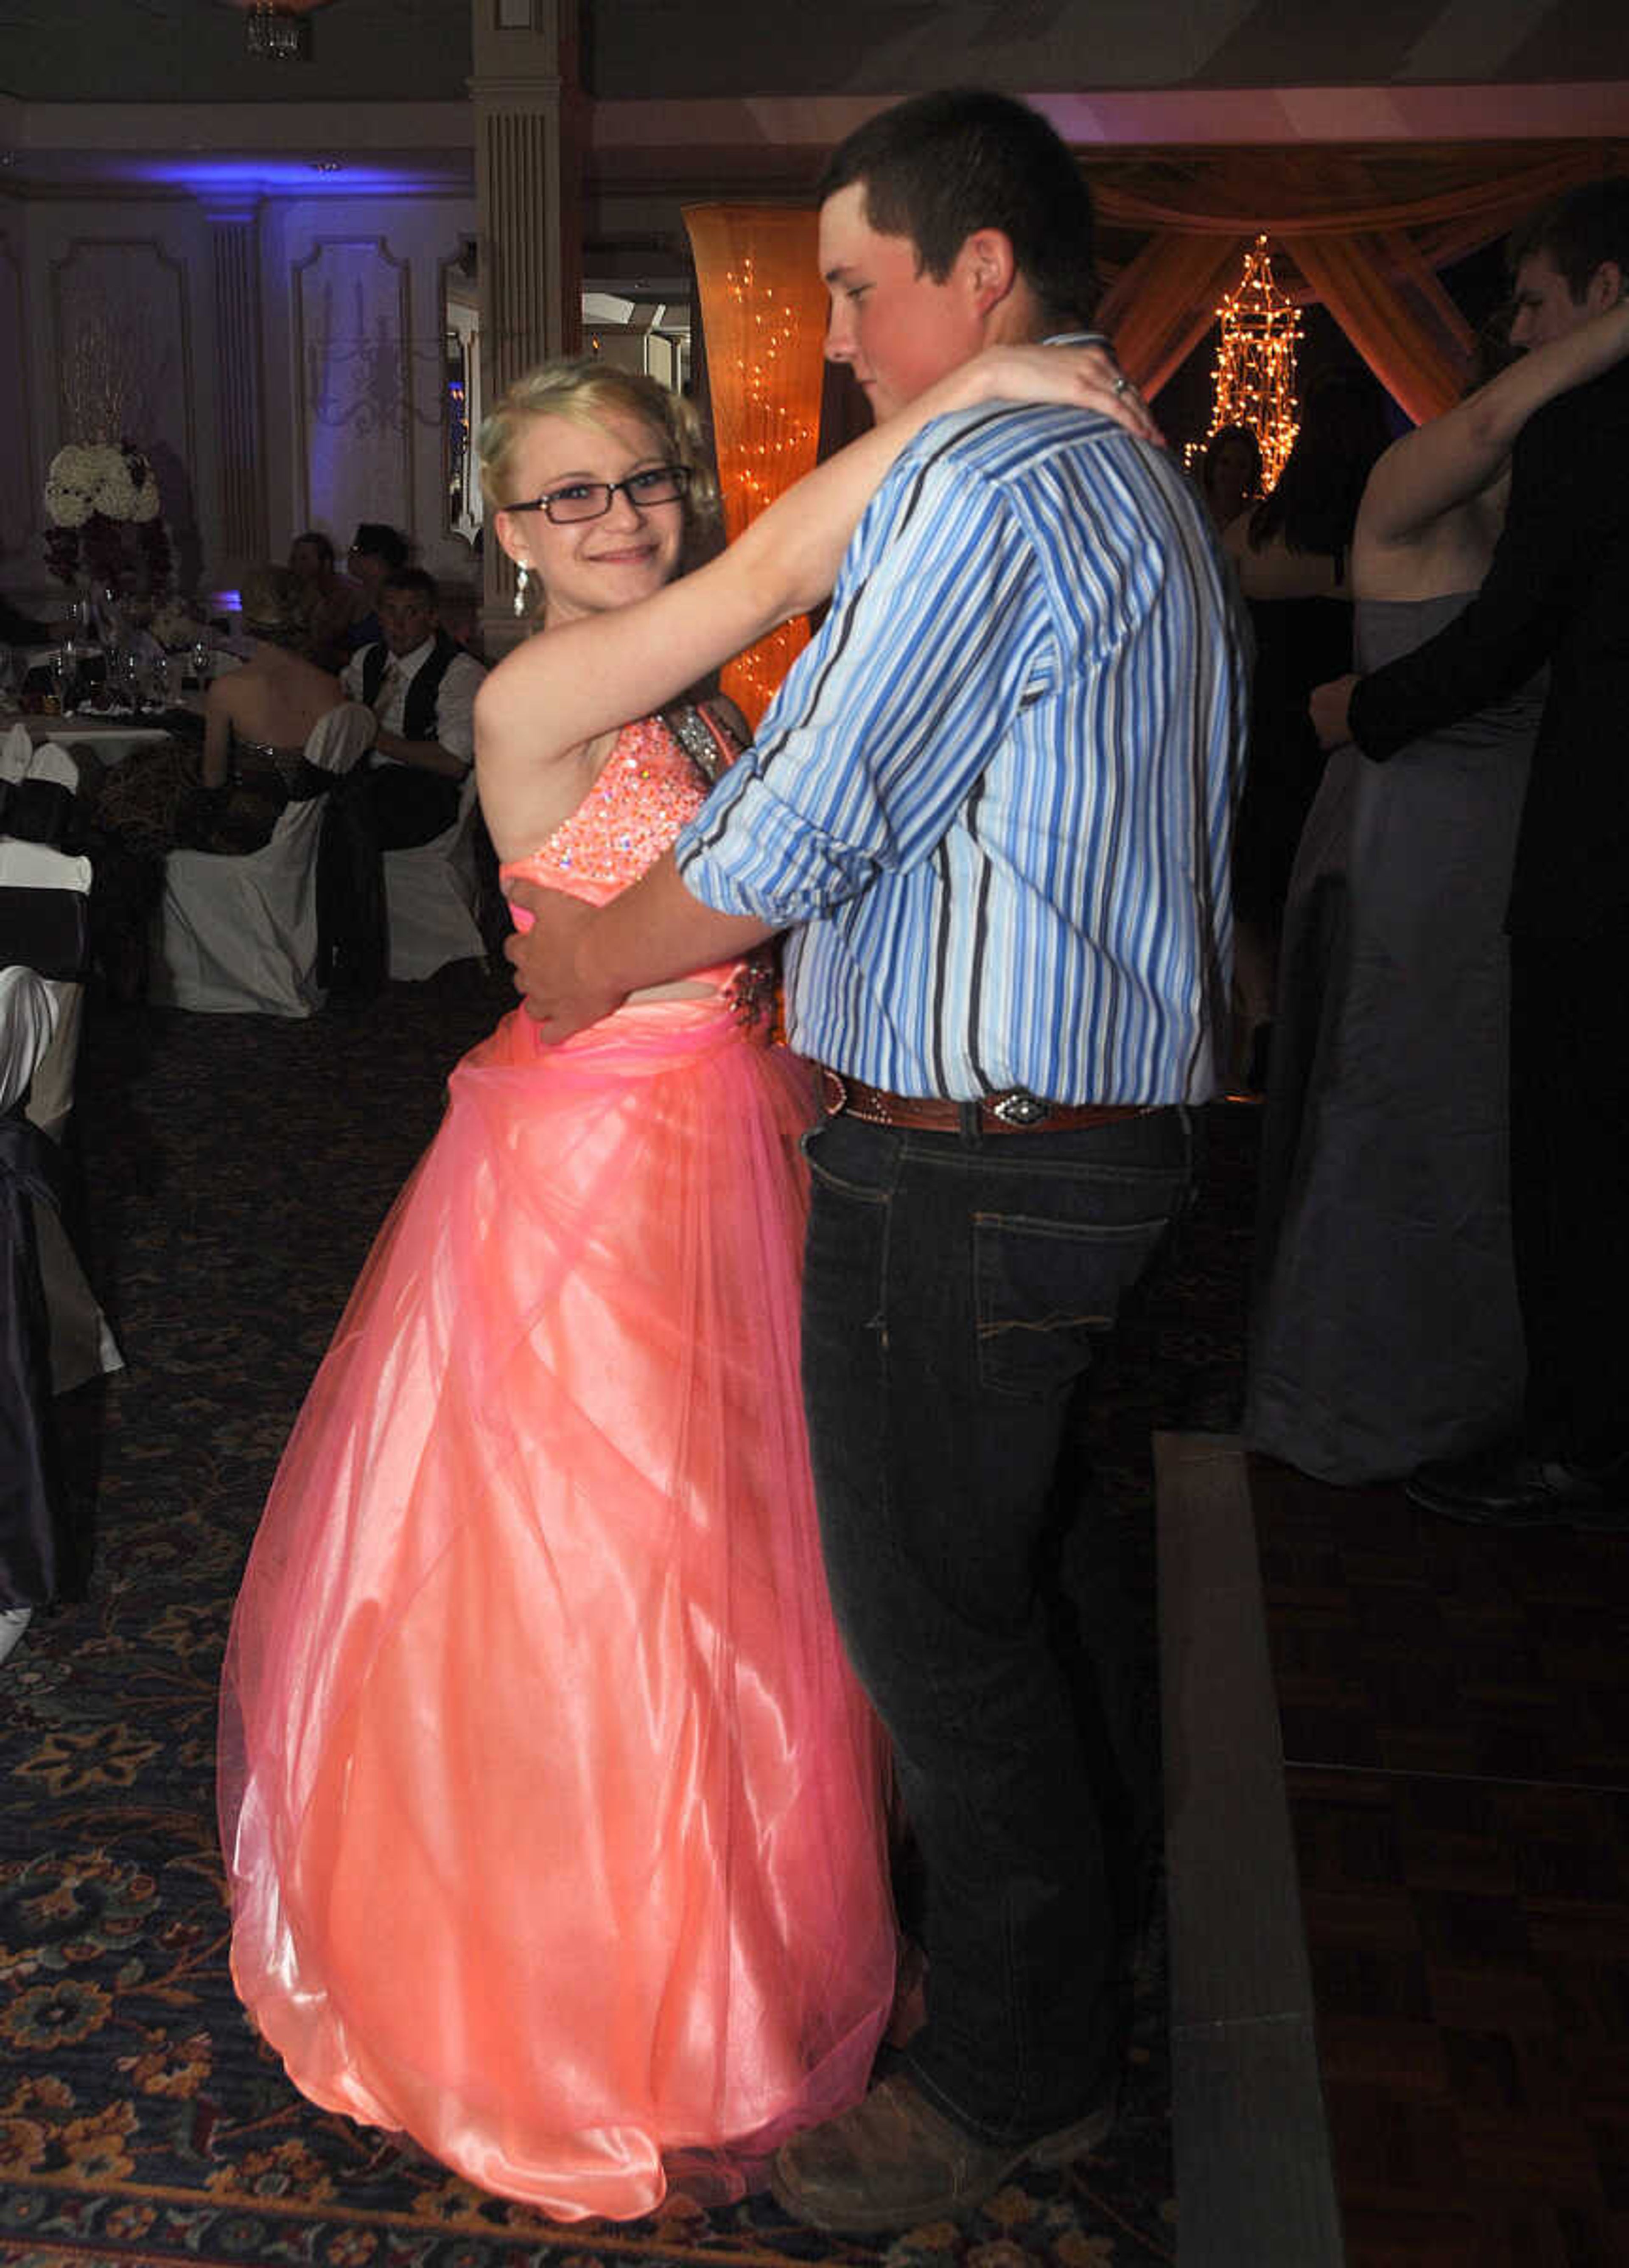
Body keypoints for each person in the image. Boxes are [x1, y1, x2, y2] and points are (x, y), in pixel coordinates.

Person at [218, 337, 1141, 2220]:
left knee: (738, 1561)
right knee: (598, 1573)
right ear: (508, 533)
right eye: (570, 494)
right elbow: (766, 577)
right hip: (591, 1173)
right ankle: (570, 2002)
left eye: (641, 478)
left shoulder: (702, 704)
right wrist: (968, 397)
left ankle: (715, 1959)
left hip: (732, 1126)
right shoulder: (539, 684)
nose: (618, 517)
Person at [504, 89, 1245, 2233]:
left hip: (981, 1159)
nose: (834, 331)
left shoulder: (1006, 474)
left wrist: (588, 978)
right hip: (1080, 1133)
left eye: (854, 282)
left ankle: (1019, 2075)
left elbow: (804, 822)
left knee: (940, 1629)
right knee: (1031, 1581)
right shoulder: (1110, 461)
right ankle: (1076, 1966)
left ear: (977, 272)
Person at [1250, 298, 1629, 1486]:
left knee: (1493, 1124)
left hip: (1524, 840)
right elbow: (1499, 423)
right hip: (1416, 838)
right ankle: (1367, 1396)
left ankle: (1502, 1389)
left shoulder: (1556, 506)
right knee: (1395, 1100)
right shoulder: (1418, 474)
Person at [1223, 372, 1389, 1079]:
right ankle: (1327, 1034)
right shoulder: (1383, 524)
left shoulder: (1255, 534)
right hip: (1355, 731)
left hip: (1267, 727)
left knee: (1256, 886)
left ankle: (1264, 1017)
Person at [86, 566, 344, 996]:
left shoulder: (230, 688)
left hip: (248, 829)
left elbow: (213, 779)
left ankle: (126, 961)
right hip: (307, 826)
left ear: (250, 620)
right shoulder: (330, 687)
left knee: (127, 827)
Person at [339, 566, 486, 848]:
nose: (398, 624)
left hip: (426, 791)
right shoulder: (366, 659)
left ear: (432, 618)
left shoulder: (459, 672)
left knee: (349, 819)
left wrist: (373, 737)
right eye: (389, 611)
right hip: (365, 779)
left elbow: (453, 762)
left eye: (411, 613)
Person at [287, 529, 365, 671]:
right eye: (294, 559)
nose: (296, 565)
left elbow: (323, 639)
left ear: (326, 563)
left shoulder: (350, 593)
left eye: (304, 558)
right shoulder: (297, 591)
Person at [342, 521, 407, 651]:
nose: (349, 553)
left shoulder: (395, 601)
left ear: (377, 559)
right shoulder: (357, 596)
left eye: (356, 549)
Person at [1196, 420, 1261, 532]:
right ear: (1212, 465)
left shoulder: (1255, 522)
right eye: (1225, 463)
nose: (1232, 472)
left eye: (1242, 466)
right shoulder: (1193, 512)